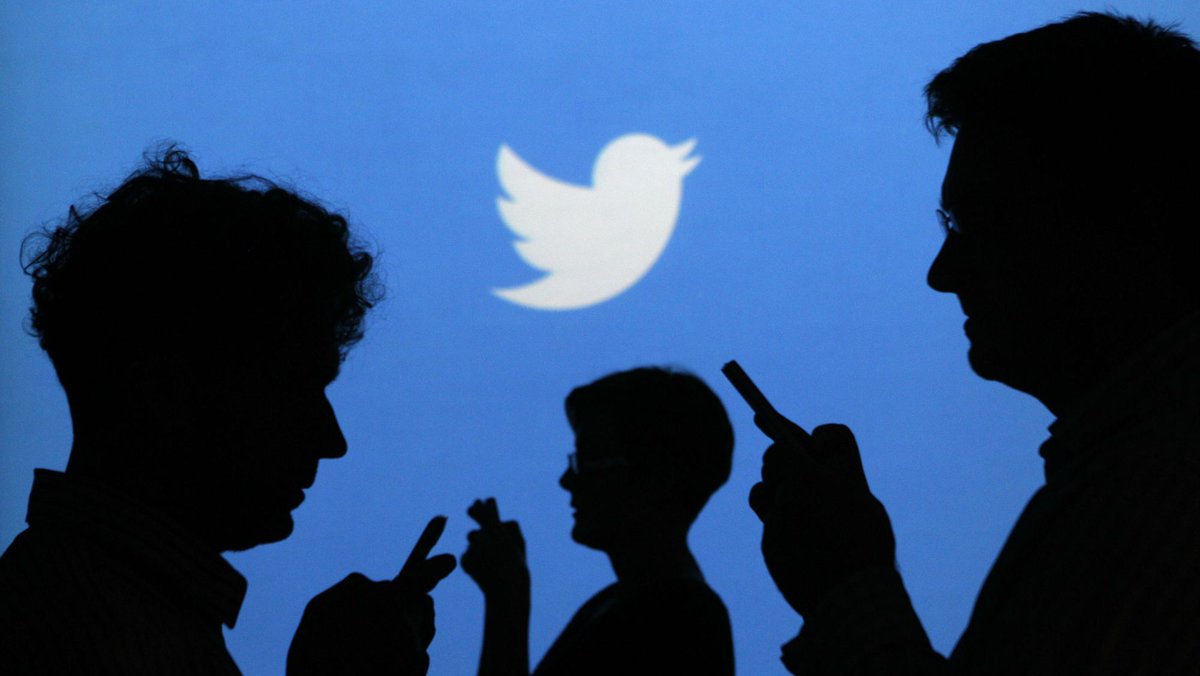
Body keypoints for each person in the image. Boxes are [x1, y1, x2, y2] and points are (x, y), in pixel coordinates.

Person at [750, 11, 1200, 674]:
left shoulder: (1156, 492)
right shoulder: (1119, 472)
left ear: (1133, 220)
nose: (943, 274)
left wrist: (847, 587)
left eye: (984, 222)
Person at [0, 149, 456, 674]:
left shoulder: (84, 600)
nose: (332, 441)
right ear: (167, 387)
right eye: (293, 388)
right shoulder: (102, 637)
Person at [461, 367, 736, 675]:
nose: (567, 480)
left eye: (590, 459)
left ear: (659, 477)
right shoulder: (618, 605)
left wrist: (506, 599)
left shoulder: (678, 618)